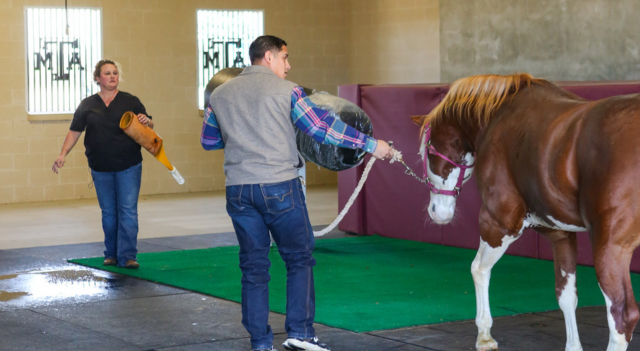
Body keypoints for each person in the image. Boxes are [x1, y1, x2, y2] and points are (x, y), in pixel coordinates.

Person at [200, 35, 393, 351]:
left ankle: (261, 343)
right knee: (299, 258)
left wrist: (242, 137)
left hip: (237, 190)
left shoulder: (219, 94)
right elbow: (323, 128)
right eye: (285, 58)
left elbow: (209, 141)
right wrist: (373, 145)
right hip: (279, 186)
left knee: (253, 266)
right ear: (268, 57)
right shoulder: (289, 91)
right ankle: (300, 334)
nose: (288, 66)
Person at [52, 59, 153, 269]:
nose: (112, 76)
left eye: (115, 73)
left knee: (127, 211)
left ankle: (128, 256)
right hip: (100, 167)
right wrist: (62, 154)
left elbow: (149, 123)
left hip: (129, 165)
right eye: (107, 73)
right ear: (98, 78)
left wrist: (147, 121)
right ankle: (111, 254)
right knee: (108, 213)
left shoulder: (130, 101)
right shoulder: (87, 104)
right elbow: (74, 132)